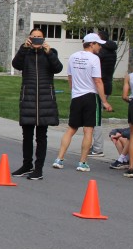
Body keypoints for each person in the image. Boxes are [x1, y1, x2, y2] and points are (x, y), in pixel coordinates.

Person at [52, 33, 113, 172]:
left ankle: (59, 158)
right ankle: (82, 162)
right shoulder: (94, 59)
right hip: (90, 96)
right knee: (88, 130)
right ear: (91, 44)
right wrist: (104, 101)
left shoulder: (73, 56)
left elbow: (70, 77)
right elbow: (98, 81)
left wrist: (74, 91)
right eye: (98, 44)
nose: (100, 47)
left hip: (76, 96)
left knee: (71, 129)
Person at [10, 27, 63, 180]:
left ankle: (38, 169)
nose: (36, 39)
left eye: (39, 37)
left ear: (44, 39)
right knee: (27, 135)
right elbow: (16, 65)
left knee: (41, 136)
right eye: (34, 36)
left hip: (45, 99)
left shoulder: (50, 53)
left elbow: (58, 68)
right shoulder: (26, 52)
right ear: (29, 38)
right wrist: (23, 48)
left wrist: (49, 52)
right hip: (29, 98)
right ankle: (27, 165)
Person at [90, 32, 118, 157]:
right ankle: (95, 146)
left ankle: (97, 148)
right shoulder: (112, 51)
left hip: (100, 87)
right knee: (95, 117)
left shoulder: (101, 53)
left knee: (96, 119)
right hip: (107, 86)